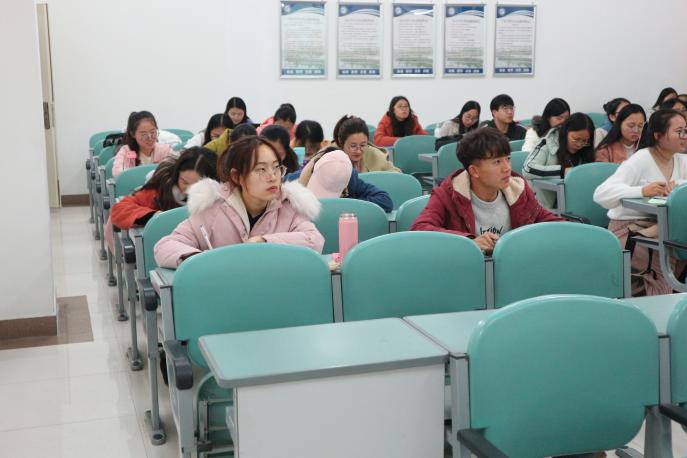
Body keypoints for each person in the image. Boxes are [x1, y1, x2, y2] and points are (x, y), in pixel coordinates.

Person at [154, 136, 324, 268]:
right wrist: (201, 261)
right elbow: (165, 246)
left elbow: (314, 240)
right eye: (261, 169)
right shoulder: (213, 208)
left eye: (276, 167)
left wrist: (264, 242)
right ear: (237, 176)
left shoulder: (288, 205)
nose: (273, 177)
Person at [411, 128, 561, 254]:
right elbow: (420, 229)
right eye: (497, 162)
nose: (507, 168)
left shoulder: (519, 190)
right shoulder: (448, 195)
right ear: (474, 171)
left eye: (508, 159)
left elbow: (551, 223)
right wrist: (470, 242)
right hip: (466, 271)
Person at [593, 109, 687, 295]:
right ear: (658, 135)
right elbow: (601, 194)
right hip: (629, 230)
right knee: (666, 251)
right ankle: (662, 304)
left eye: (686, 130)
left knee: (676, 243)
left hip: (664, 226)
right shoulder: (641, 159)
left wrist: (679, 184)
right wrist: (641, 190)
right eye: (679, 131)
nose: (685, 136)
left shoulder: (681, 159)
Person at [110, 147, 218, 230]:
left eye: (196, 185)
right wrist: (154, 217)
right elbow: (119, 210)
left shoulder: (221, 197)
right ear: (176, 175)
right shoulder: (161, 189)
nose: (188, 189)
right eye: (184, 182)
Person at [285, 147, 394, 212]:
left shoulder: (349, 177)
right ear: (314, 170)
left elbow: (385, 201)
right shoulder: (294, 180)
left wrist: (346, 205)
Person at [522, 113, 596, 209]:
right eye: (576, 139)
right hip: (545, 207)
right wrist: (562, 171)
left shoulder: (585, 151)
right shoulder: (546, 143)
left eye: (585, 141)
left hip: (575, 205)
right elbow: (527, 169)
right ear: (566, 132)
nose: (579, 144)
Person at [113, 111, 173, 177]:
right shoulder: (126, 151)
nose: (150, 137)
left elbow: (175, 169)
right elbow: (117, 173)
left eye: (153, 132)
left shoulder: (165, 150)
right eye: (144, 134)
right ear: (133, 134)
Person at [331, 115, 400, 172]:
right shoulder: (331, 158)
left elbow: (397, 175)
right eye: (353, 146)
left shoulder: (374, 154)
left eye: (362, 145)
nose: (358, 151)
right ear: (341, 143)